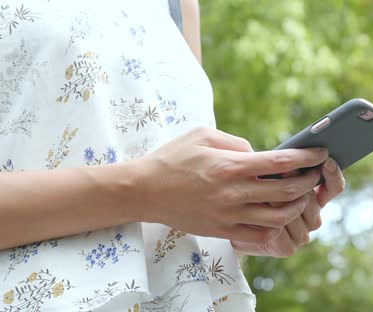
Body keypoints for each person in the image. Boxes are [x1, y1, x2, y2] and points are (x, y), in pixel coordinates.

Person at [0, 0, 345, 311]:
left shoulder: (180, 5)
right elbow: (157, 190)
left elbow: (174, 213)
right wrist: (144, 192)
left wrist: (237, 225)